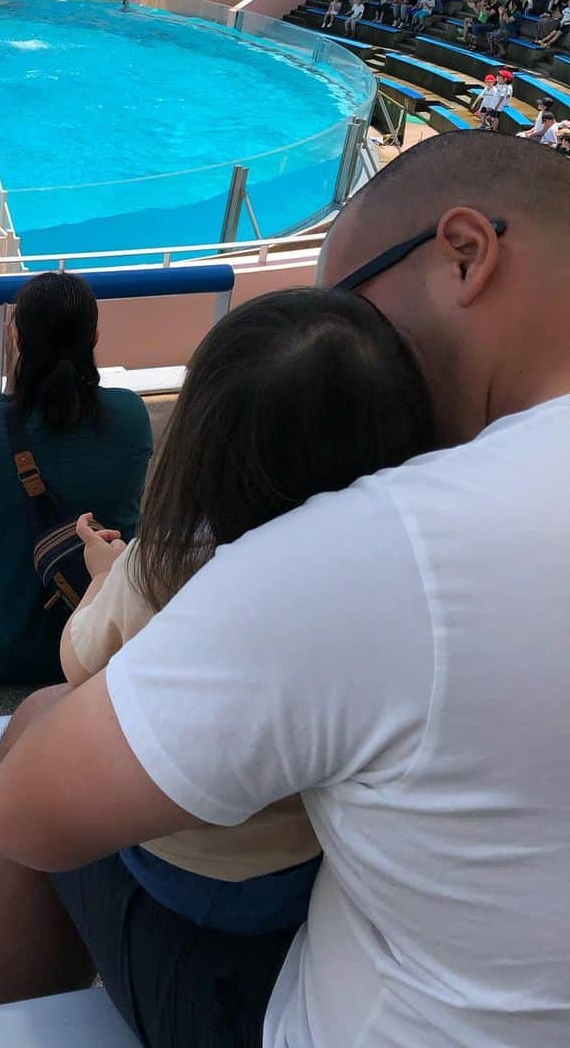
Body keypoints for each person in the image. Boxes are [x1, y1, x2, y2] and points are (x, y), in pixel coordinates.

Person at [0, 130, 570, 1048]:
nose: (350, 344)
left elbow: (30, 816)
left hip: (338, 1014)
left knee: (32, 732)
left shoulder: (381, 544)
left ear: (464, 255)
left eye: (350, 302)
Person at [45, 288, 435, 960]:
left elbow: (77, 664)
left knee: (40, 738)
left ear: (201, 435)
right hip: (321, 860)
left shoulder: (158, 567)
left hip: (193, 868)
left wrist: (103, 573)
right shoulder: (395, 572)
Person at [0, 272, 152, 683]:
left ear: (16, 338)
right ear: (94, 337)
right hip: (106, 640)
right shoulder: (133, 418)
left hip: (6, 647)